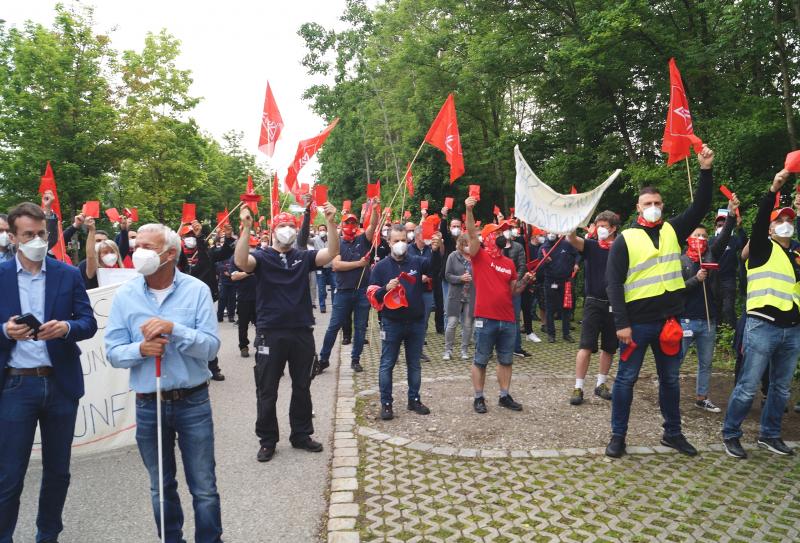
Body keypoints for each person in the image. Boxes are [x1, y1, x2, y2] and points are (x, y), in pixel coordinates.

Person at [105, 222, 223, 542]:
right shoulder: (126, 295)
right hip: (149, 403)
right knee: (161, 485)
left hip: (193, 401)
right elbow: (113, 353)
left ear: (170, 253)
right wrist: (141, 349)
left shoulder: (196, 290)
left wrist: (176, 329)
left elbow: (211, 347)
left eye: (147, 246)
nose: (138, 252)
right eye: (136, 245)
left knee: (204, 486)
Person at [605, 144, 715, 458]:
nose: (653, 206)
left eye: (657, 202)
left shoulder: (672, 229)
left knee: (670, 380)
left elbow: (702, 205)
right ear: (638, 208)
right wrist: (621, 324)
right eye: (647, 203)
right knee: (626, 380)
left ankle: (673, 434)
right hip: (637, 325)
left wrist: (705, 169)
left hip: (669, 321)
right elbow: (613, 284)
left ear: (662, 206)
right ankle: (618, 437)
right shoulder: (625, 239)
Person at [0, 202, 98, 543]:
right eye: (29, 234)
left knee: (58, 471)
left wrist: (67, 328)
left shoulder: (67, 275)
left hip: (60, 384)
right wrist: (4, 332)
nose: (37, 240)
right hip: (15, 386)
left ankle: (48, 534)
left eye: (42, 234)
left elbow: (88, 322)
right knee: (9, 474)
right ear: (13, 237)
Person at [235, 204, 339, 463]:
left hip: (301, 331)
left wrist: (330, 223)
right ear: (272, 231)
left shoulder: (303, 257)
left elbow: (332, 253)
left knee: (302, 385)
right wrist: (246, 229)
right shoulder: (262, 257)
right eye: (282, 226)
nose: (287, 230)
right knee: (267, 389)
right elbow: (241, 262)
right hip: (270, 332)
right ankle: (268, 440)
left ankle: (301, 434)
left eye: (291, 226)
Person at [722, 169, 800, 459]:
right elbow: (758, 222)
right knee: (747, 386)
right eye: (779, 220)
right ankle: (731, 434)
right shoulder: (761, 249)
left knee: (780, 390)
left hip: (792, 330)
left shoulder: (797, 253)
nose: (785, 223)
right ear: (769, 229)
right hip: (761, 327)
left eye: (789, 220)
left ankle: (770, 435)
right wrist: (773, 189)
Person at [465, 197, 534, 414]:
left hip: (508, 319)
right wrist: (468, 210)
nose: (504, 235)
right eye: (498, 232)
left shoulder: (509, 263)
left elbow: (514, 290)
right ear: (489, 237)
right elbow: (471, 233)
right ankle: (479, 397)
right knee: (481, 359)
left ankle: (504, 395)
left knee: (506, 359)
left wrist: (526, 281)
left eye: (504, 232)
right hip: (485, 319)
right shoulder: (479, 256)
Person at [369, 224, 441, 421]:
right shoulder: (381, 267)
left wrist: (435, 251)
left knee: (414, 364)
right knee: (387, 364)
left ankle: (414, 399)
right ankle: (386, 403)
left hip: (416, 322)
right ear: (388, 242)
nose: (400, 244)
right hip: (392, 323)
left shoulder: (417, 262)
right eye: (396, 241)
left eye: (403, 240)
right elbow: (371, 294)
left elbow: (434, 269)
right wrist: (385, 288)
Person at [678, 195, 738, 413]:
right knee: (676, 361)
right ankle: (669, 392)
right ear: (688, 238)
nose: (701, 238)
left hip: (709, 321)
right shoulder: (681, 260)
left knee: (706, 363)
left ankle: (702, 397)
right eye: (697, 235)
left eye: (704, 235)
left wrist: (730, 214)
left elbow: (722, 238)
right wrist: (696, 279)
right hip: (686, 320)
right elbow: (676, 289)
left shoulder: (712, 255)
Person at [566, 210, 620, 405]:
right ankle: (578, 387)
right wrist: (572, 220)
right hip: (593, 302)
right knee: (586, 347)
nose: (600, 230)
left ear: (613, 228)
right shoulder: (590, 245)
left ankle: (601, 384)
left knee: (609, 347)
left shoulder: (621, 247)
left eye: (604, 226)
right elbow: (571, 238)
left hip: (615, 304)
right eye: (598, 226)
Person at [318, 203, 378, 373]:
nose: (350, 226)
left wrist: (374, 210)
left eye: (353, 223)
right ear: (342, 225)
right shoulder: (337, 242)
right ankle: (323, 359)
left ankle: (355, 359)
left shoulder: (363, 240)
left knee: (360, 328)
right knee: (334, 326)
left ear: (357, 225)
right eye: (347, 223)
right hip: (343, 291)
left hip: (361, 291)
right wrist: (359, 264)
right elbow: (336, 264)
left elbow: (373, 225)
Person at [709, 210, 747, 329]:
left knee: (728, 308)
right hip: (713, 278)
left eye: (724, 225)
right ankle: (718, 336)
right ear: (715, 227)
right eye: (719, 225)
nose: (721, 227)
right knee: (716, 307)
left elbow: (745, 245)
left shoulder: (734, 239)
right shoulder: (710, 241)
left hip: (728, 278)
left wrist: (740, 228)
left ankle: (733, 333)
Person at [539, 232, 578, 343]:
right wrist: (545, 262)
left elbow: (577, 254)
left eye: (554, 231)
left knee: (566, 308)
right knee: (550, 308)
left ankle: (566, 334)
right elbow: (540, 265)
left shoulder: (566, 244)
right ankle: (551, 334)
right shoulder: (544, 248)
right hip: (550, 281)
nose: (552, 234)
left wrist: (576, 263)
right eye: (550, 231)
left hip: (565, 281)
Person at [408, 224, 440, 361]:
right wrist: (417, 277)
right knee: (408, 320)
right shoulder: (408, 250)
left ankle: (418, 350)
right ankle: (397, 351)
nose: (427, 237)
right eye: (424, 234)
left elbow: (435, 267)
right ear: (417, 236)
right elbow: (405, 268)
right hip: (412, 291)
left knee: (424, 322)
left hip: (427, 291)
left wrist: (435, 251)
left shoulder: (430, 250)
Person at [443, 233, 475, 360]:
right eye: (466, 244)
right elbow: (447, 275)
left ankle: (464, 350)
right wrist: (460, 278)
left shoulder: (476, 258)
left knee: (467, 325)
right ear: (461, 245)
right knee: (452, 323)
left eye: (471, 244)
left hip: (470, 296)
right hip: (455, 295)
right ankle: (448, 350)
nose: (469, 247)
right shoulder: (453, 256)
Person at [502, 221, 529, 357]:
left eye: (509, 229)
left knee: (515, 318)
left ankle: (516, 347)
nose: (507, 231)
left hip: (514, 287)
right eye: (504, 229)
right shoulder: (496, 246)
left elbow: (522, 265)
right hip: (499, 289)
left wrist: (514, 281)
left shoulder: (518, 247)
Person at [231, 238, 258, 357]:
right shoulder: (236, 260)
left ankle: (261, 345)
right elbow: (234, 276)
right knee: (243, 325)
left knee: (261, 324)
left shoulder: (259, 258)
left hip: (260, 297)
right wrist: (249, 272)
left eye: (253, 246)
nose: (251, 248)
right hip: (244, 297)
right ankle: (243, 346)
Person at [311, 223, 335, 313]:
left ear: (326, 230)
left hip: (331, 267)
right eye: (320, 230)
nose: (322, 231)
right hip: (320, 268)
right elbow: (305, 240)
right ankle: (322, 307)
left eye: (323, 230)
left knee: (334, 287)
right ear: (318, 231)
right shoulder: (314, 240)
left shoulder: (331, 239)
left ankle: (334, 306)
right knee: (321, 289)